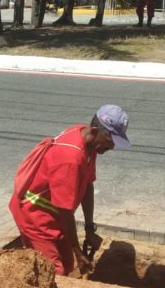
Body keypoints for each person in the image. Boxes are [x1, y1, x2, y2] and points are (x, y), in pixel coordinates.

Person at [9, 105, 131, 276]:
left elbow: (87, 184)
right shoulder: (70, 159)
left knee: (67, 265)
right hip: (34, 216)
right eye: (111, 141)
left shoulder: (88, 142)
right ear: (97, 131)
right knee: (52, 272)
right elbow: (65, 211)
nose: (112, 147)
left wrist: (89, 229)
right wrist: (78, 253)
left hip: (54, 216)